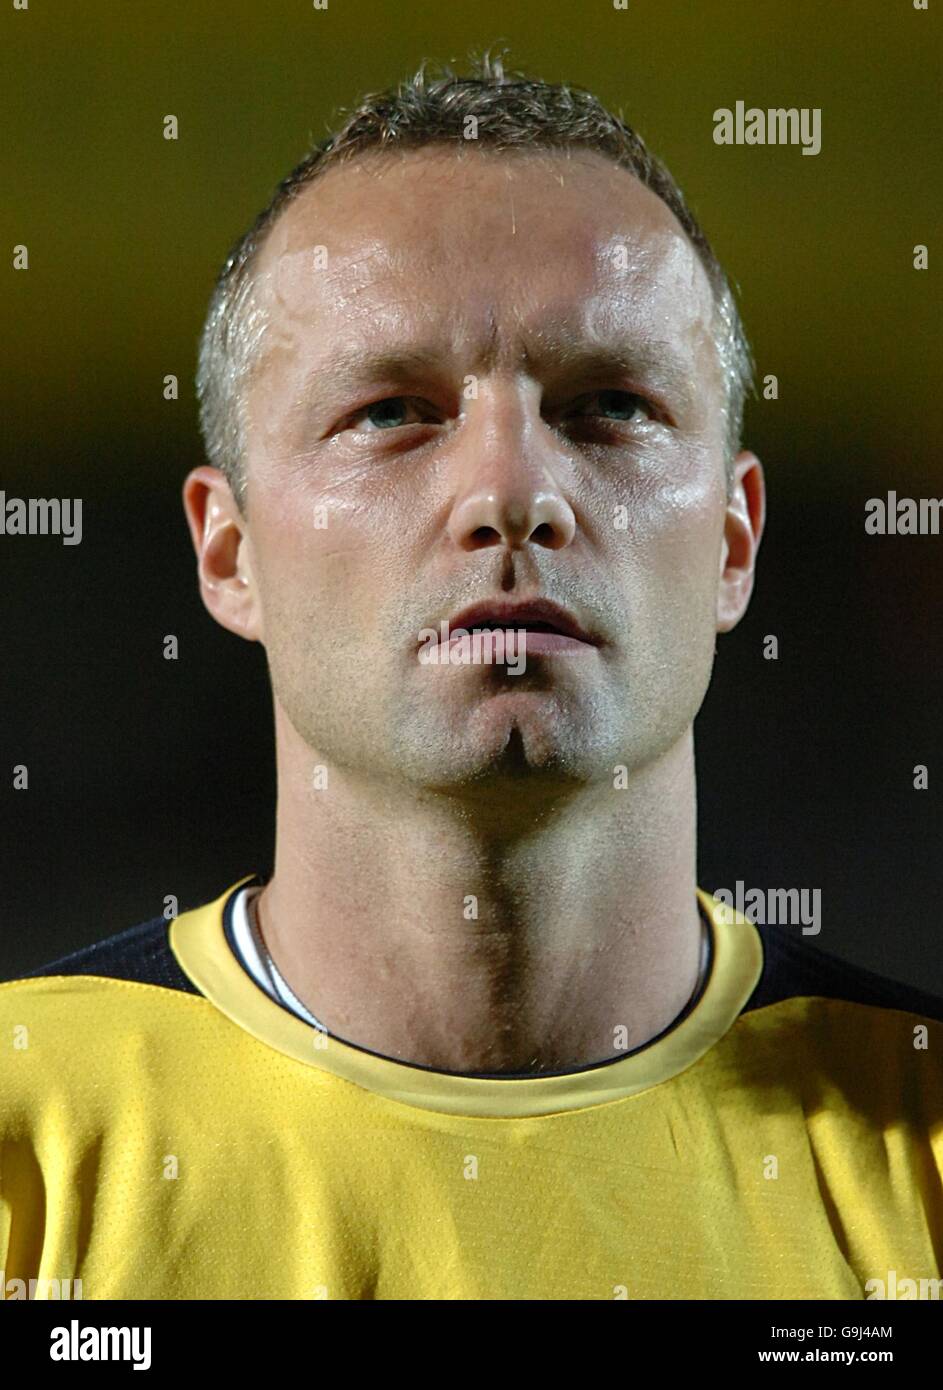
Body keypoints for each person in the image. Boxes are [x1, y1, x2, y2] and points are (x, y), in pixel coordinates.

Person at [3, 55, 941, 1302]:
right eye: (393, 412)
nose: (509, 492)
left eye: (609, 405)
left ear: (731, 541)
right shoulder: (30, 1131)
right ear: (229, 555)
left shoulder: (918, 1137)